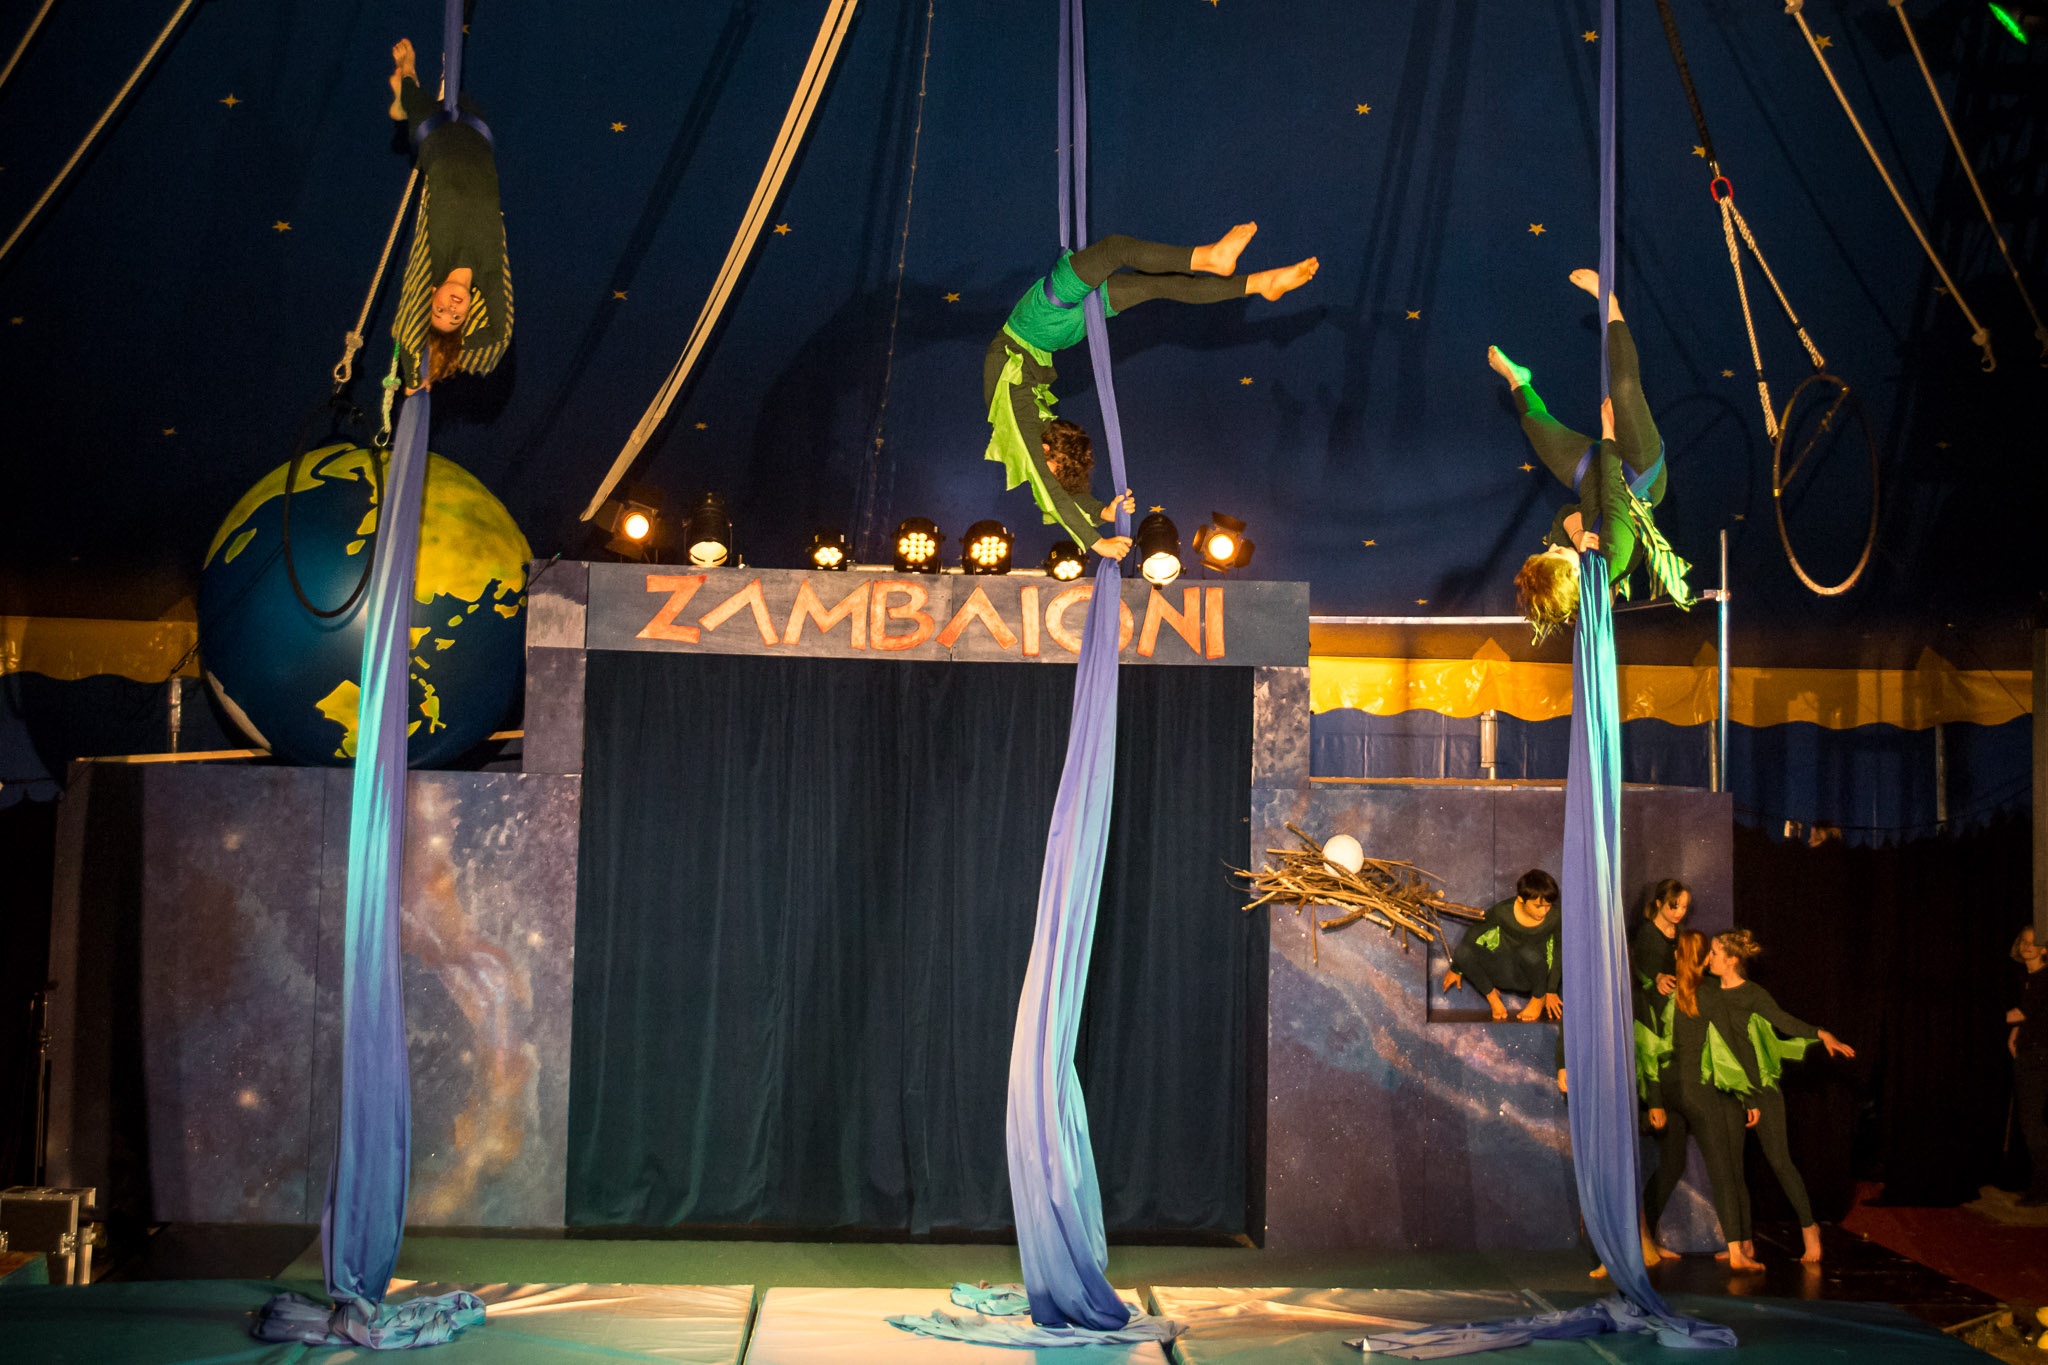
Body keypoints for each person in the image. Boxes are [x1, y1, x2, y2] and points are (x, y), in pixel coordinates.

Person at [984, 225, 1317, 558]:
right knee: (1134, 268)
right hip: (1046, 332)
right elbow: (1060, 492)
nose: (1043, 468)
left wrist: (1096, 537)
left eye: (1050, 466)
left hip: (1037, 327)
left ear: (1045, 451)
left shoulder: (1019, 426)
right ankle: (1240, 274)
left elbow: (1050, 491)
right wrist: (1102, 513)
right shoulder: (1034, 430)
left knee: (1128, 262)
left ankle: (1236, 271)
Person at [1488, 271, 1692, 640]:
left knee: (1538, 430)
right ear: (1576, 575)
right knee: (1624, 389)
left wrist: (1578, 534)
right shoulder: (1614, 554)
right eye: (1557, 554)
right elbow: (1615, 495)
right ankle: (1610, 304)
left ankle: (1519, 379)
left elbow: (1565, 513)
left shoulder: (1574, 557)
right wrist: (1609, 433)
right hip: (1637, 475)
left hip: (1595, 479)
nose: (1554, 546)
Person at [1708, 928, 1856, 1264]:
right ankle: (1743, 1244)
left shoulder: (1753, 994)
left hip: (1761, 1090)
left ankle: (1809, 1228)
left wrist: (1821, 1033)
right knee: (1733, 1168)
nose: (1709, 958)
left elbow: (1783, 1021)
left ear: (1732, 959)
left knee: (1779, 1161)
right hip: (1730, 1091)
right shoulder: (1710, 991)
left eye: (1714, 953)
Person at [388, 38, 512, 392]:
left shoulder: (435, 262)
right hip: (475, 136)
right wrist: (458, 348)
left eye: (439, 310)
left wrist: (413, 378)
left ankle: (407, 82)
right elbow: (499, 335)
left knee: (417, 101)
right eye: (456, 317)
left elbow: (408, 329)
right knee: (458, 99)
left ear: (431, 294)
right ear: (469, 311)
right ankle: (416, 97)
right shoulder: (489, 272)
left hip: (435, 142)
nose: (451, 308)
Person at [1644, 930, 1763, 1271]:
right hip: (1697, 1092)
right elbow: (1733, 1046)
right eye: (1708, 953)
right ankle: (1737, 1252)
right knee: (1723, 1170)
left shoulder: (1662, 993)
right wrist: (1749, 1096)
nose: (1712, 957)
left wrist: (1654, 1100)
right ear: (1702, 958)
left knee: (1670, 1166)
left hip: (1669, 1092)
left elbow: (1651, 1050)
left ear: (1676, 957)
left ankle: (1644, 1240)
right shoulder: (1709, 993)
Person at [1443, 869, 1562, 1021]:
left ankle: (1538, 999)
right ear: (1521, 900)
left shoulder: (1555, 918)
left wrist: (1551, 990)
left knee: (1528, 952)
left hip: (1531, 978)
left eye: (1548, 906)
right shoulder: (1502, 911)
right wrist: (1456, 969)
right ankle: (1492, 997)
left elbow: (1558, 952)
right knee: (1462, 953)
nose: (1544, 912)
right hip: (1502, 971)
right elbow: (1473, 935)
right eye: (1538, 906)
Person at [2009, 925, 2048, 1207]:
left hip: (2038, 1056)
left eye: (2033, 942)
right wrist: (2015, 1034)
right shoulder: (2030, 978)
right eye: (2023, 941)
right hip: (2030, 1053)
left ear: (2044, 948)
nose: (2026, 946)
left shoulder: (2043, 978)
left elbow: (2022, 1013)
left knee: (2033, 1124)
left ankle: (2042, 1187)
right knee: (2031, 1123)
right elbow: (2030, 1016)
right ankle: (2039, 1184)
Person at [1632, 880, 1690, 1016]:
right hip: (1658, 999)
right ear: (1659, 904)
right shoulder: (1647, 933)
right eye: (1674, 907)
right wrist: (1658, 977)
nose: (1680, 912)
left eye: (1684, 907)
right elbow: (1643, 967)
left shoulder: (1681, 931)